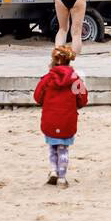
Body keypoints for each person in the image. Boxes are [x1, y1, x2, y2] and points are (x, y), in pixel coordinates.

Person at [33, 45, 89, 189]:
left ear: (53, 61)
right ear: (69, 61)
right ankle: (62, 178)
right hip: (67, 120)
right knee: (63, 148)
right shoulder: (75, 79)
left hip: (50, 119)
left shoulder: (47, 79)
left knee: (52, 147)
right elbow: (83, 99)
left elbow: (37, 97)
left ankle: (53, 170)